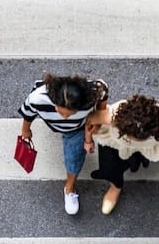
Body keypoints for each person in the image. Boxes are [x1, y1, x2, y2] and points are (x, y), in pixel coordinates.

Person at [18, 73, 109, 215]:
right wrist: (25, 130)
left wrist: (99, 117)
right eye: (61, 112)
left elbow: (103, 90)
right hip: (56, 126)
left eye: (71, 113)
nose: (65, 117)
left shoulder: (91, 94)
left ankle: (69, 188)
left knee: (74, 159)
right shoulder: (37, 99)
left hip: (77, 130)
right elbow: (28, 113)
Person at [86, 93, 159, 215]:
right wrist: (88, 140)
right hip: (119, 143)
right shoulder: (113, 116)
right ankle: (115, 187)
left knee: (158, 146)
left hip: (148, 145)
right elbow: (90, 120)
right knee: (109, 166)